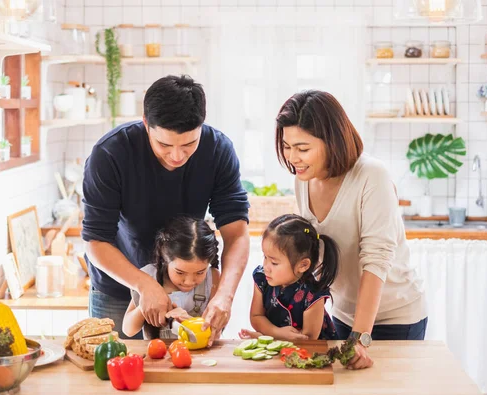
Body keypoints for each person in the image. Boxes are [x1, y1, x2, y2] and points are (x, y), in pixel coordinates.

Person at [82, 75, 250, 343]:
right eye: (164, 145)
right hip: (118, 286)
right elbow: (96, 241)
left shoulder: (218, 150)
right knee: (109, 374)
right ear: (146, 123)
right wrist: (144, 284)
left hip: (189, 285)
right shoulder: (110, 154)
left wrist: (224, 294)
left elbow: (237, 234)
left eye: (188, 144)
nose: (176, 156)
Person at [274, 90, 427, 369]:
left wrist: (360, 336)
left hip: (394, 318)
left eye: (303, 148)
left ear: (331, 142)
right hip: (343, 314)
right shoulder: (303, 179)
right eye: (287, 146)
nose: (293, 157)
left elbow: (376, 259)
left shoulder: (371, 175)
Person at [238, 214, 338, 342]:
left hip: (311, 352)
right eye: (265, 257)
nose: (266, 267)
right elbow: (256, 316)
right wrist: (276, 333)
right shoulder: (262, 278)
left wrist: (266, 336)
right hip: (279, 346)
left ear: (303, 265)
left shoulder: (313, 294)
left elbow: (308, 338)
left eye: (274, 263)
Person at [122, 216, 220, 339]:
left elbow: (216, 335)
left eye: (200, 272)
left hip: (199, 357)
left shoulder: (213, 278)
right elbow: (128, 330)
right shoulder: (148, 276)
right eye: (180, 272)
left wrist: (189, 322)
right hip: (156, 356)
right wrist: (145, 305)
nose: (189, 282)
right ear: (165, 259)